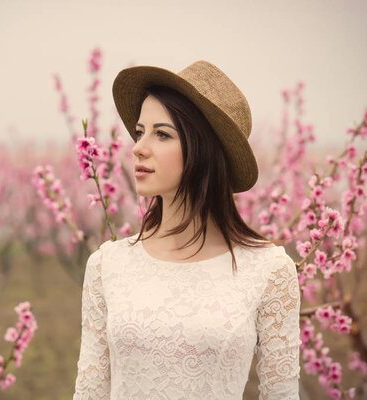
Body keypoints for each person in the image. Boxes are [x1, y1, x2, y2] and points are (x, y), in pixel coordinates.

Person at [72, 60, 301, 399]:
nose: (138, 147)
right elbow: (89, 394)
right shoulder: (108, 265)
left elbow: (281, 395)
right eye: (139, 132)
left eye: (162, 134)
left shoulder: (268, 270)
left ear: (203, 149)